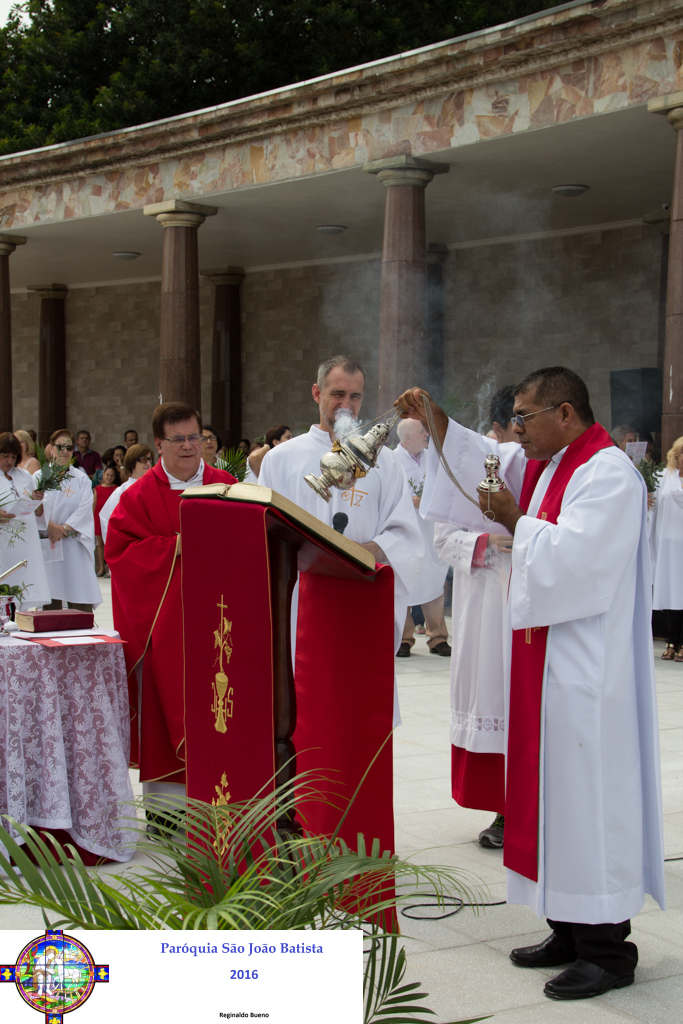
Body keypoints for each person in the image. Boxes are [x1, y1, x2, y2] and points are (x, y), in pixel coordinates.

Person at [396, 366, 664, 1001]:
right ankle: (567, 928)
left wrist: (518, 520)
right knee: (553, 802)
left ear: (564, 414)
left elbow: (578, 562)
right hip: (548, 663)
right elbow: (485, 461)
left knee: (586, 803)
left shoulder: (606, 474)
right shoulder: (550, 464)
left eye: (525, 417)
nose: (516, 429)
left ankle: (609, 950)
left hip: (588, 670)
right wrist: (439, 424)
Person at [259, 356, 422, 717]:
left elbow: (405, 534)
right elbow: (261, 533)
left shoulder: (385, 463)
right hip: (301, 599)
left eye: (355, 396)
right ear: (317, 393)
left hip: (360, 594)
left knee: (356, 706)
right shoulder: (281, 460)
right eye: (337, 394)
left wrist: (363, 552)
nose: (346, 404)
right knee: (303, 706)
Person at [105, 404, 235, 820]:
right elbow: (120, 554)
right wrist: (175, 547)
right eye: (177, 439)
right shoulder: (137, 496)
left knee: (224, 711)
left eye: (195, 437)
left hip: (222, 627)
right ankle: (167, 813)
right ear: (158, 444)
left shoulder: (227, 487)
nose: (188, 446)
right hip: (165, 631)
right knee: (166, 714)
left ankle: (226, 803)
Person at [432, 383, 519, 849]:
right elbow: (443, 539)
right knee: (492, 694)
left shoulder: (543, 469)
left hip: (533, 602)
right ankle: (504, 809)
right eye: (515, 429)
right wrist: (486, 543)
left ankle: (536, 807)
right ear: (498, 429)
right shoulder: (466, 470)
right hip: (485, 606)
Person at [394, 418, 450, 657]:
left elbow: (445, 486)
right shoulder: (391, 461)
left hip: (430, 529)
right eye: (421, 431)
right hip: (405, 531)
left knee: (433, 580)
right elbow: (387, 495)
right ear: (406, 437)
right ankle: (404, 639)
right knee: (403, 583)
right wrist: (410, 501)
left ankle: (438, 637)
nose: (427, 434)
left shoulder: (433, 458)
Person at [33, 429, 102, 612]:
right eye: (60, 447)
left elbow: (85, 508)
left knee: (78, 593)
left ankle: (82, 626)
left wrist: (63, 528)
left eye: (69, 448)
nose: (64, 451)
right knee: (51, 595)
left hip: (73, 543)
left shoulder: (81, 478)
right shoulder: (39, 477)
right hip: (49, 543)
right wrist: (49, 526)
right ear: (51, 449)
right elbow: (31, 508)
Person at [0, 432, 50, 608]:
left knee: (26, 582)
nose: (9, 461)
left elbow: (39, 512)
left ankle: (22, 613)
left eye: (14, 457)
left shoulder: (25, 476)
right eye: (5, 456)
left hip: (26, 540)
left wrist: (38, 500)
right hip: (4, 542)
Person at [650, 435, 683, 660]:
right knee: (672, 592)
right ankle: (672, 641)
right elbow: (652, 506)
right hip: (668, 545)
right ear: (676, 455)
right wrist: (646, 500)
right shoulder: (663, 477)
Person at [99, 444, 154, 544]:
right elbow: (106, 520)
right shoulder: (121, 491)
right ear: (131, 462)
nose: (148, 463)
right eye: (143, 459)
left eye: (150, 459)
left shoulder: (155, 489)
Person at [93, 464, 120, 576]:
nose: (109, 477)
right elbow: (94, 505)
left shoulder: (117, 489)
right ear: (103, 475)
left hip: (109, 518)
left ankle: (109, 568)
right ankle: (101, 568)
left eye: (112, 476)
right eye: (107, 475)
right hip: (98, 518)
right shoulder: (97, 489)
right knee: (100, 544)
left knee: (109, 543)